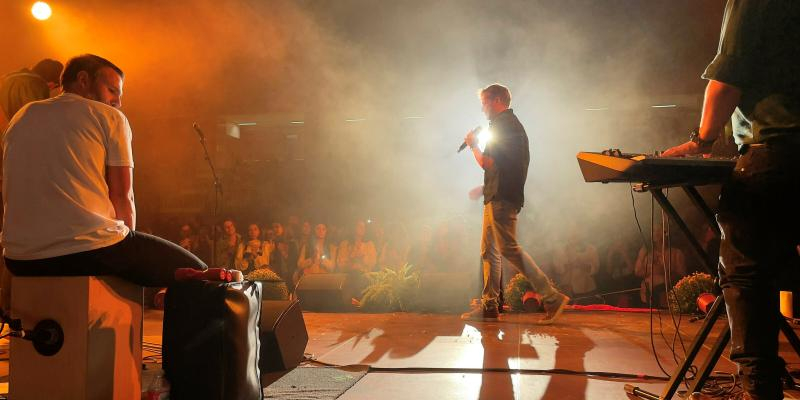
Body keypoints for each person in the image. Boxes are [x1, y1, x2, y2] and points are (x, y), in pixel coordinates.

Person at [662, 2, 800, 398]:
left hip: (775, 150)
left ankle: (759, 389)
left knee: (746, 275)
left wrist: (701, 141)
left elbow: (727, 75)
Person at [1, 54, 206, 287]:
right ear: (83, 80)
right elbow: (122, 196)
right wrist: (129, 255)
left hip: (19, 259)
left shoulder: (21, 116)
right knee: (200, 274)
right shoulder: (109, 117)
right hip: (87, 253)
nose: (117, 102)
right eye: (112, 90)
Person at [460, 83, 569, 323]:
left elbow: (487, 162)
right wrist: (484, 188)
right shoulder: (508, 126)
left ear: (497, 100)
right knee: (488, 251)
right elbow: (505, 167)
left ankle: (551, 297)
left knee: (507, 248)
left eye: (485, 102)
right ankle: (490, 305)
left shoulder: (504, 126)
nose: (482, 108)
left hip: (502, 198)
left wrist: (473, 145)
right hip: (496, 194)